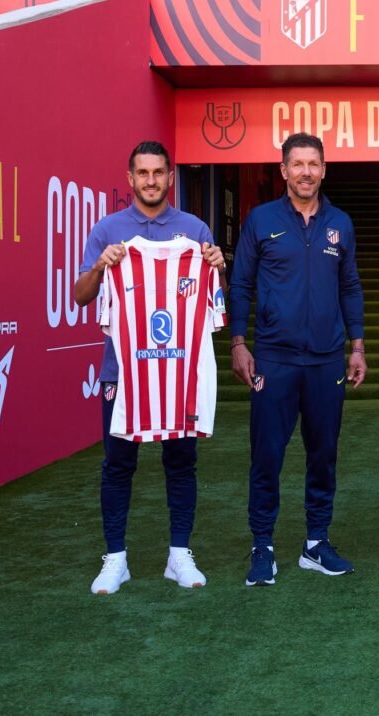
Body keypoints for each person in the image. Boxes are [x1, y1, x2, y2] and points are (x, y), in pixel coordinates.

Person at [74, 140, 226, 595]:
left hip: (178, 372)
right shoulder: (108, 230)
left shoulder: (195, 230)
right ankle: (115, 559)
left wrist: (217, 265)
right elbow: (81, 296)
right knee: (118, 463)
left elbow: (214, 304)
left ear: (170, 177)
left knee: (181, 461)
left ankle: (179, 554)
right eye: (143, 173)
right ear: (130, 178)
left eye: (159, 172)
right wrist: (101, 267)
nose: (151, 180)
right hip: (123, 371)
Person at [229, 132, 366, 587]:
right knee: (266, 456)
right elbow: (241, 284)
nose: (306, 172)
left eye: (314, 164)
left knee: (323, 455)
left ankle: (316, 543)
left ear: (324, 170)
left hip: (326, 361)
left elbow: (350, 286)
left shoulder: (340, 223)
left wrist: (357, 346)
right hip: (274, 359)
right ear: (284, 170)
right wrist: (238, 343)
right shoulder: (261, 220)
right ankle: (262, 545)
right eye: (298, 164)